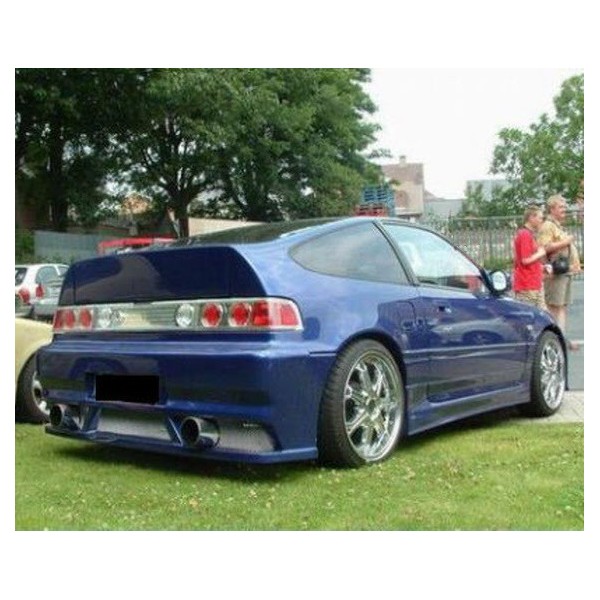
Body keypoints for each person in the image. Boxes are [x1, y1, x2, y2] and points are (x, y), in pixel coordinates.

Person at [537, 194, 582, 349]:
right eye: (561, 207)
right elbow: (544, 248)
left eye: (564, 206)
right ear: (552, 209)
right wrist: (566, 241)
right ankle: (552, 341)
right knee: (553, 307)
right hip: (556, 274)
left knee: (561, 307)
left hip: (564, 272)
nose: (564, 209)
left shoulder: (557, 226)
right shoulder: (548, 226)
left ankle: (560, 340)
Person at [512, 205, 547, 309]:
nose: (541, 220)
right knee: (529, 314)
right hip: (527, 284)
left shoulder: (529, 234)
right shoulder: (525, 234)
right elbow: (525, 260)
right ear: (531, 217)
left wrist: (541, 267)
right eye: (540, 218)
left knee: (542, 314)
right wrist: (540, 253)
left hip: (535, 282)